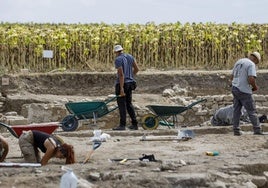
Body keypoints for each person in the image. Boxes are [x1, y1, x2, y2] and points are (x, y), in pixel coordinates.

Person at [231, 51, 263, 135]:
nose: (256, 64)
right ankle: (257, 129)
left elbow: (232, 76)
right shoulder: (251, 64)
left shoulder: (239, 61)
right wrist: (255, 87)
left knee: (236, 110)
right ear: (255, 59)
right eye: (257, 62)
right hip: (244, 90)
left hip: (235, 88)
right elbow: (251, 78)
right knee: (252, 111)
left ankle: (236, 130)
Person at [112, 44, 139, 130]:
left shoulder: (118, 59)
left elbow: (121, 74)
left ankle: (122, 125)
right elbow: (137, 69)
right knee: (129, 104)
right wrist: (131, 76)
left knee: (122, 105)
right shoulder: (130, 57)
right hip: (130, 83)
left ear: (115, 52)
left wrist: (121, 88)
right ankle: (134, 124)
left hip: (123, 84)